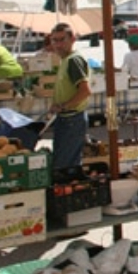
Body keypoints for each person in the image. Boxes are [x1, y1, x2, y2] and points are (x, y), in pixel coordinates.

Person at [47, 23, 91, 169]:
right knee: (63, 162)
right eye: (54, 40)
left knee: (65, 166)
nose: (58, 45)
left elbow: (85, 91)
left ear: (72, 39)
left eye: (62, 40)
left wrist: (64, 105)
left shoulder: (73, 60)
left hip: (72, 119)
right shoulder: (65, 60)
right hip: (66, 118)